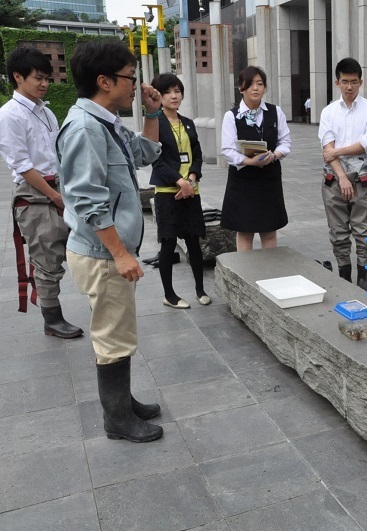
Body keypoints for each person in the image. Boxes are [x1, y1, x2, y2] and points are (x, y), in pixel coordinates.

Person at [57, 40, 164, 442]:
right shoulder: (86, 128)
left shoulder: (105, 121)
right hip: (103, 253)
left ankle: (123, 401)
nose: (135, 85)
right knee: (112, 335)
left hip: (109, 251)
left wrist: (152, 113)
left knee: (118, 329)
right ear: (104, 81)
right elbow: (87, 199)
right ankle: (117, 419)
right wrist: (120, 253)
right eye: (129, 78)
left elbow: (144, 154)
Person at [0, 47, 83, 339]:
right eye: (38, 78)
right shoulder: (9, 115)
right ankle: (52, 318)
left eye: (47, 78)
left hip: (57, 186)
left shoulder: (46, 111)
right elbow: (22, 166)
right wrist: (54, 195)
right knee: (46, 256)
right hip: (34, 193)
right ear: (18, 77)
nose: (44, 84)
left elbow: (57, 153)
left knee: (71, 247)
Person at [318, 57, 367, 291]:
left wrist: (337, 151)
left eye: (354, 82)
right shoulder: (329, 112)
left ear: (361, 82)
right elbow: (327, 147)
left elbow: (366, 144)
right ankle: (344, 275)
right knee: (338, 232)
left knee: (363, 230)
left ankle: (363, 277)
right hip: (334, 180)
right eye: (345, 82)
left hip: (364, 181)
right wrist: (342, 175)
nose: (349, 87)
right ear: (337, 82)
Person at [149, 73, 210, 309]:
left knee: (194, 241)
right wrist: (179, 181)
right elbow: (156, 159)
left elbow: (197, 154)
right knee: (168, 242)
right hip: (168, 192)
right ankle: (169, 294)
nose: (174, 96)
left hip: (191, 190)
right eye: (167, 92)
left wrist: (192, 177)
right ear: (158, 95)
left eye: (177, 91)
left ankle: (200, 289)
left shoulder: (188, 122)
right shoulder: (155, 123)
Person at [221, 66, 291, 251]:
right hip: (243, 180)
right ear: (240, 88)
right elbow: (227, 149)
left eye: (260, 84)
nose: (255, 88)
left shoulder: (276, 112)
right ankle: (245, 275)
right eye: (250, 84)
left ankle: (269, 273)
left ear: (265, 87)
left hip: (269, 179)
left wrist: (274, 155)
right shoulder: (231, 116)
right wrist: (249, 161)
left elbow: (285, 142)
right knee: (244, 230)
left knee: (269, 229)